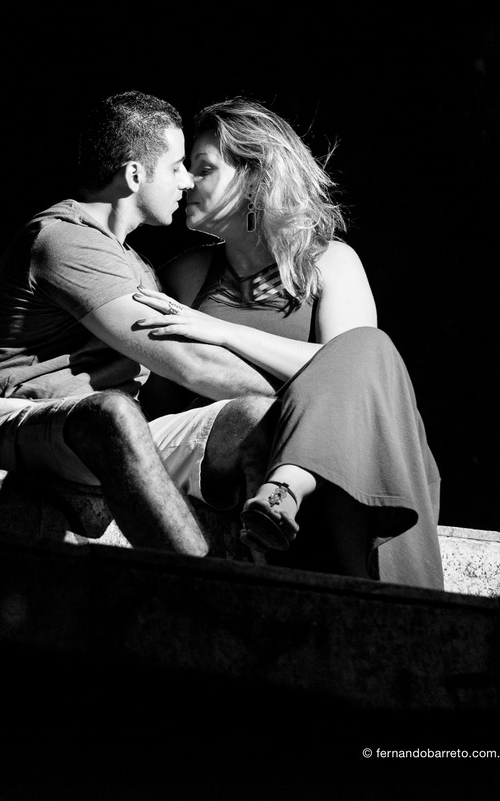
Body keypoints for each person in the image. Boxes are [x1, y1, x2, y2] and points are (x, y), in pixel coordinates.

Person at [0, 90, 278, 556]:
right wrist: (302, 400)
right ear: (135, 174)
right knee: (112, 413)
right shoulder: (63, 239)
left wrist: (285, 415)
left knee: (253, 416)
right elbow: (188, 360)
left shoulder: (140, 268)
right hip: (7, 422)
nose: (186, 181)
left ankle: (275, 577)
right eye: (177, 166)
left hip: (111, 437)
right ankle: (206, 591)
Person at [132, 97, 443, 589]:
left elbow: (357, 376)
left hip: (345, 474)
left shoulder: (331, 263)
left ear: (256, 179)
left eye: (204, 168)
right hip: (234, 465)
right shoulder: (187, 275)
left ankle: (289, 488)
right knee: (366, 352)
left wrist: (227, 332)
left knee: (370, 349)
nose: (187, 181)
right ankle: (285, 489)